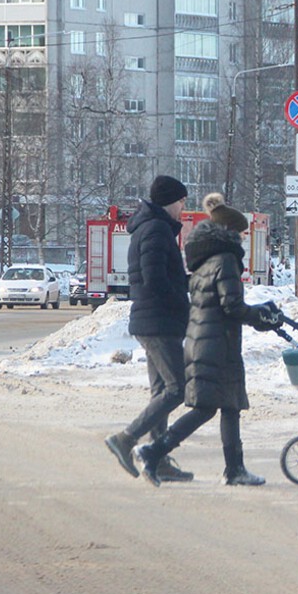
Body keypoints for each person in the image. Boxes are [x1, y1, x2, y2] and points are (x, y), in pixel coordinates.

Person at [135, 193, 282, 487]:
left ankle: (235, 469)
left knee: (230, 406)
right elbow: (232, 306)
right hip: (217, 344)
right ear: (229, 231)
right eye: (241, 232)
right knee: (207, 407)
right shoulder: (227, 259)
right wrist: (262, 316)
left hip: (206, 340)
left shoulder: (205, 259)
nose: (243, 237)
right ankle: (154, 450)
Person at [104, 175, 195, 483]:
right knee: (176, 389)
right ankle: (127, 439)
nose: (184, 207)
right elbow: (155, 279)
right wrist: (183, 301)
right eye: (181, 201)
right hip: (158, 320)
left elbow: (162, 276)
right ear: (169, 201)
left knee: (162, 391)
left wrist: (187, 282)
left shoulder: (152, 228)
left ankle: (158, 459)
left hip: (154, 319)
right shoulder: (156, 230)